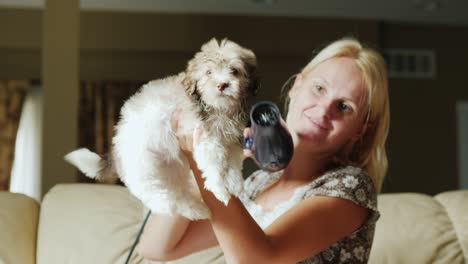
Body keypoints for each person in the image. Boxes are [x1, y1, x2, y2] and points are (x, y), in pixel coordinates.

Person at [136, 37, 390, 263]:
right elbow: (157, 247)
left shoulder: (350, 187)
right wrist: (208, 160)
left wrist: (204, 161)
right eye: (319, 88)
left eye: (344, 107)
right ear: (297, 86)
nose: (324, 110)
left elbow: (257, 259)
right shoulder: (260, 182)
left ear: (360, 129)